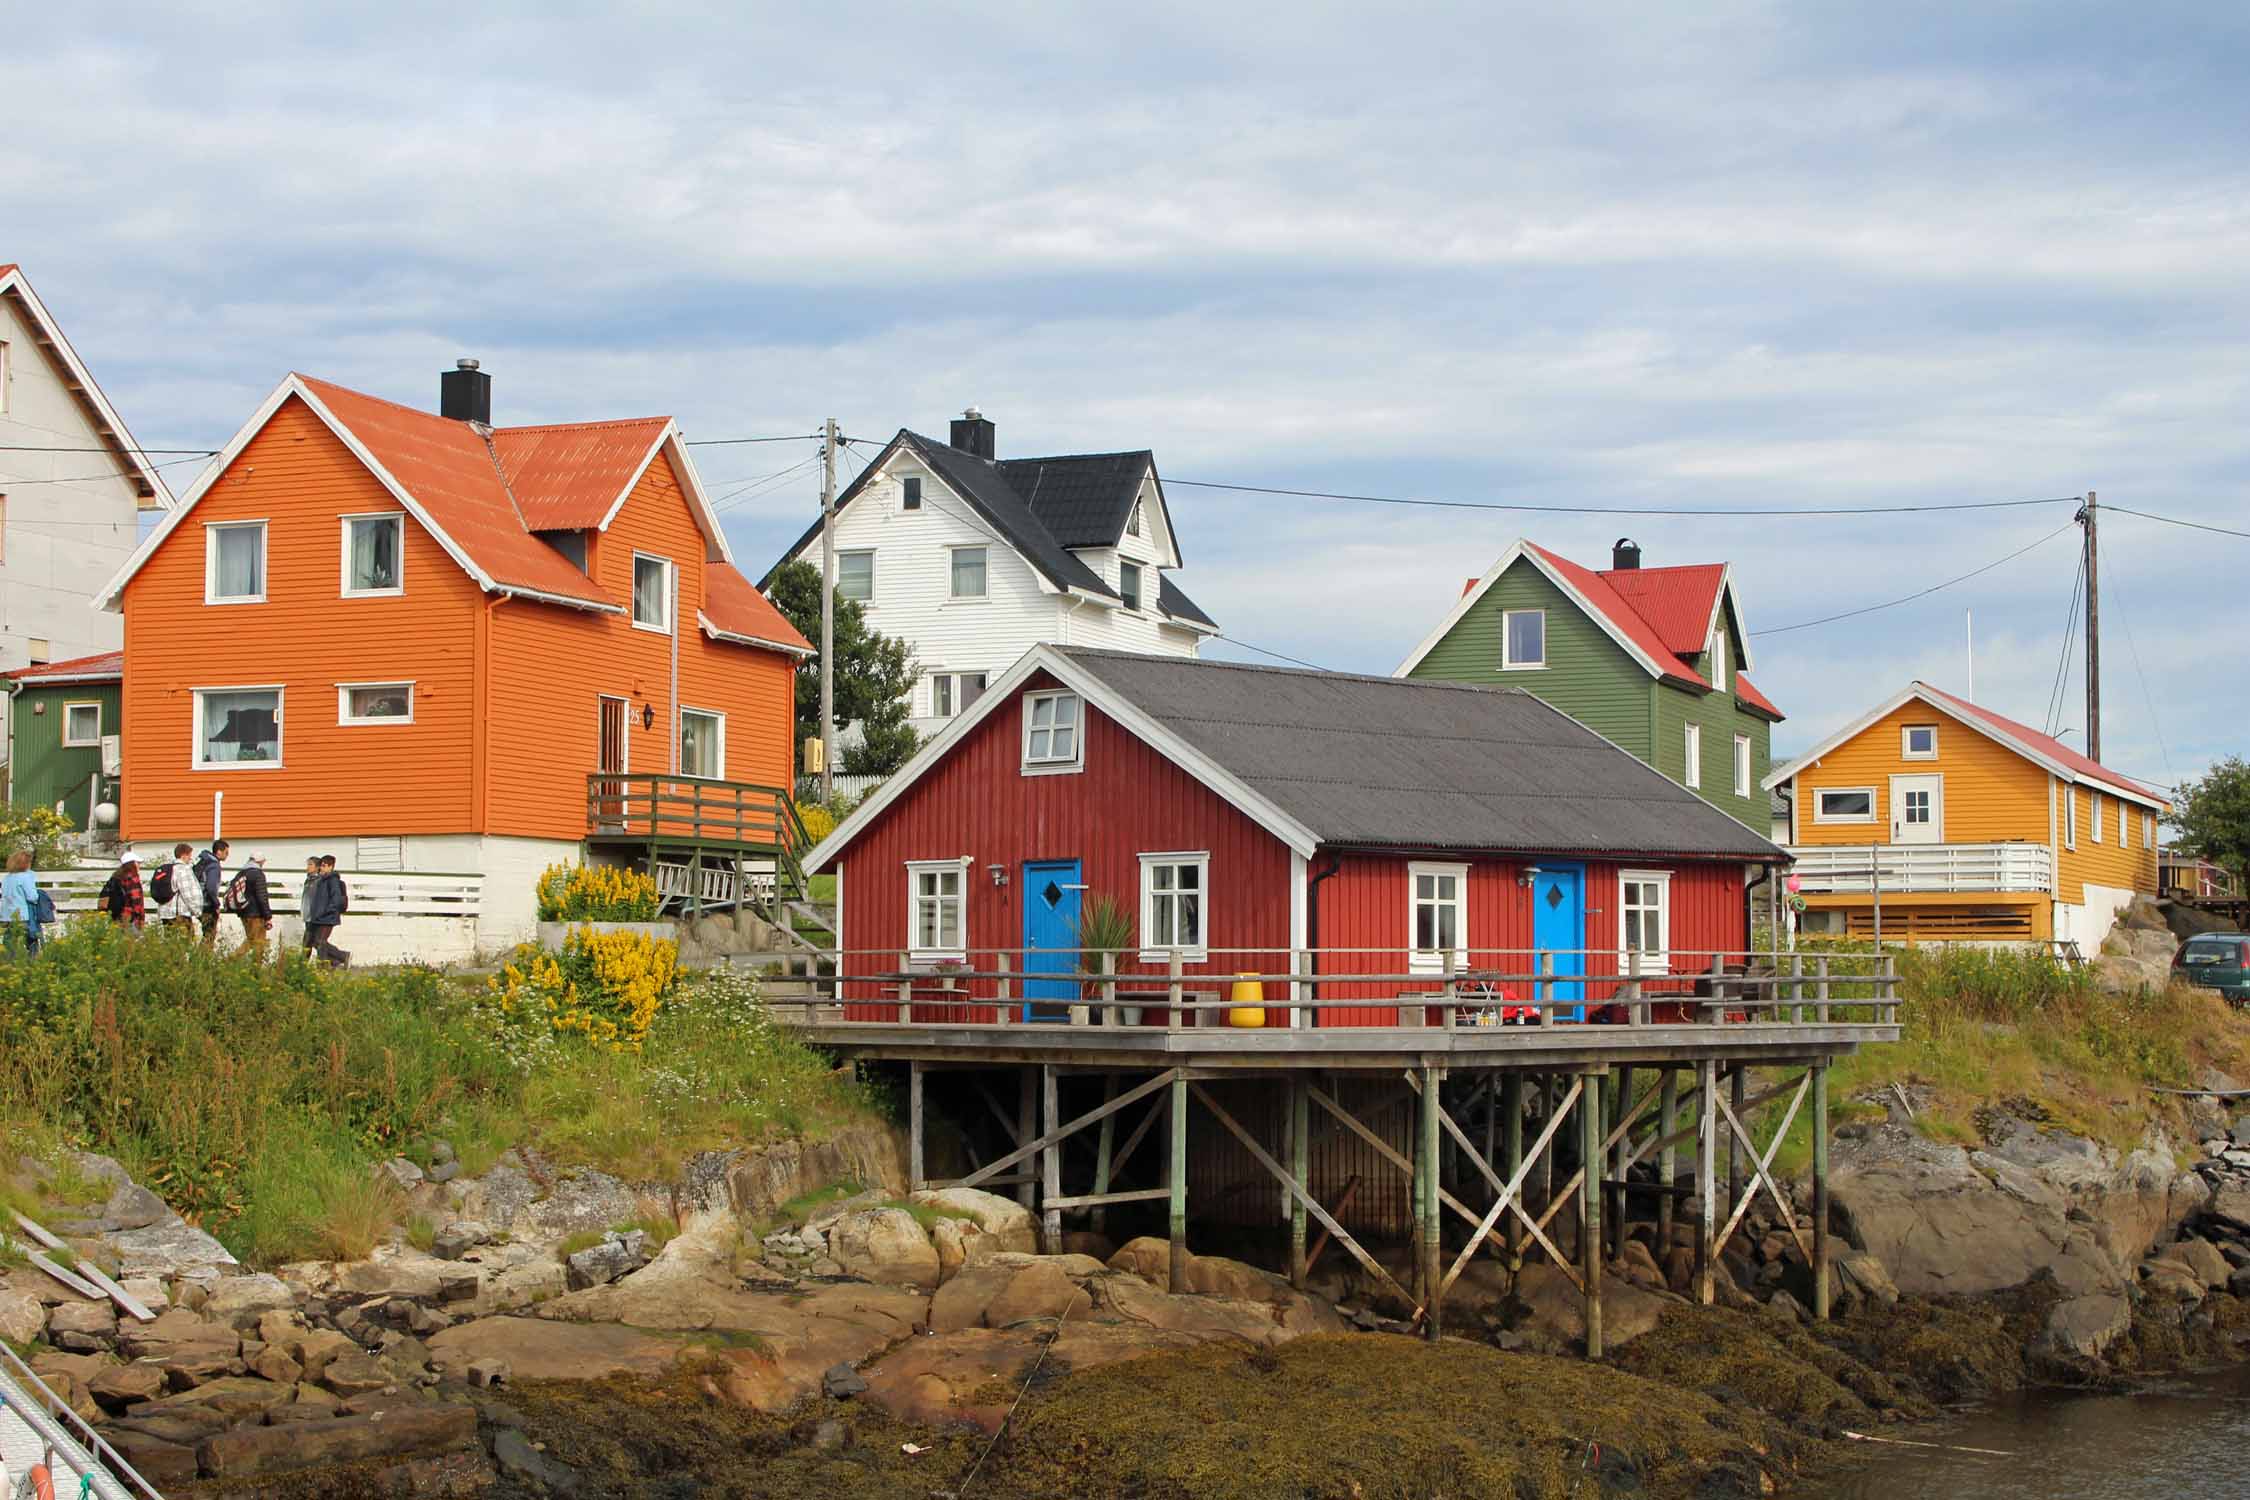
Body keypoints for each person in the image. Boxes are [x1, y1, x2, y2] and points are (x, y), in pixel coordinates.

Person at [304, 854, 351, 968]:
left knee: (320, 941)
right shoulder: (321, 880)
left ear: (331, 867)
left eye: (324, 866)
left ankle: (325, 966)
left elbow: (336, 899)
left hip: (327, 917)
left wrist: (326, 911)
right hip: (319, 917)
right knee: (317, 942)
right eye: (321, 866)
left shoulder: (333, 880)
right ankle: (337, 960)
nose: (321, 868)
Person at [227, 852, 273, 959]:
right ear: (260, 861)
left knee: (251, 940)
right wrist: (268, 916)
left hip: (243, 913)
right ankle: (251, 967)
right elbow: (262, 897)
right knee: (258, 943)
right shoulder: (258, 874)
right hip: (256, 914)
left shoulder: (241, 873)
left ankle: (232, 959)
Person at [151, 841, 202, 934]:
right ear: (183, 856)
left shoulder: (168, 869)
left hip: (165, 913)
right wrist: (197, 911)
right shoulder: (183, 870)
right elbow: (187, 894)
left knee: (169, 942)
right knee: (186, 943)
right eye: (189, 855)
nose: (190, 858)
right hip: (180, 913)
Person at [2, 850, 43, 957]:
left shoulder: (7, 878)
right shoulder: (25, 877)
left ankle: (9, 963)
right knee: (31, 940)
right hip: (23, 914)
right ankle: (33, 963)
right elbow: (32, 897)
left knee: (10, 942)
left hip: (7, 915)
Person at [194, 838, 231, 947]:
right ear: (219, 852)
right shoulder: (214, 865)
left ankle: (199, 959)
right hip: (207, 904)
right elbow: (211, 887)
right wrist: (216, 905)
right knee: (210, 935)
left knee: (206, 934)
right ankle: (202, 960)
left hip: (198, 902)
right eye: (226, 852)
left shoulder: (203, 861)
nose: (227, 855)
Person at [99, 854, 146, 929]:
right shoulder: (132, 878)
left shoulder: (116, 876)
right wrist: (141, 919)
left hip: (116, 916)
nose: (139, 865)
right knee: (132, 939)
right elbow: (136, 901)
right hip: (129, 918)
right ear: (132, 864)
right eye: (138, 863)